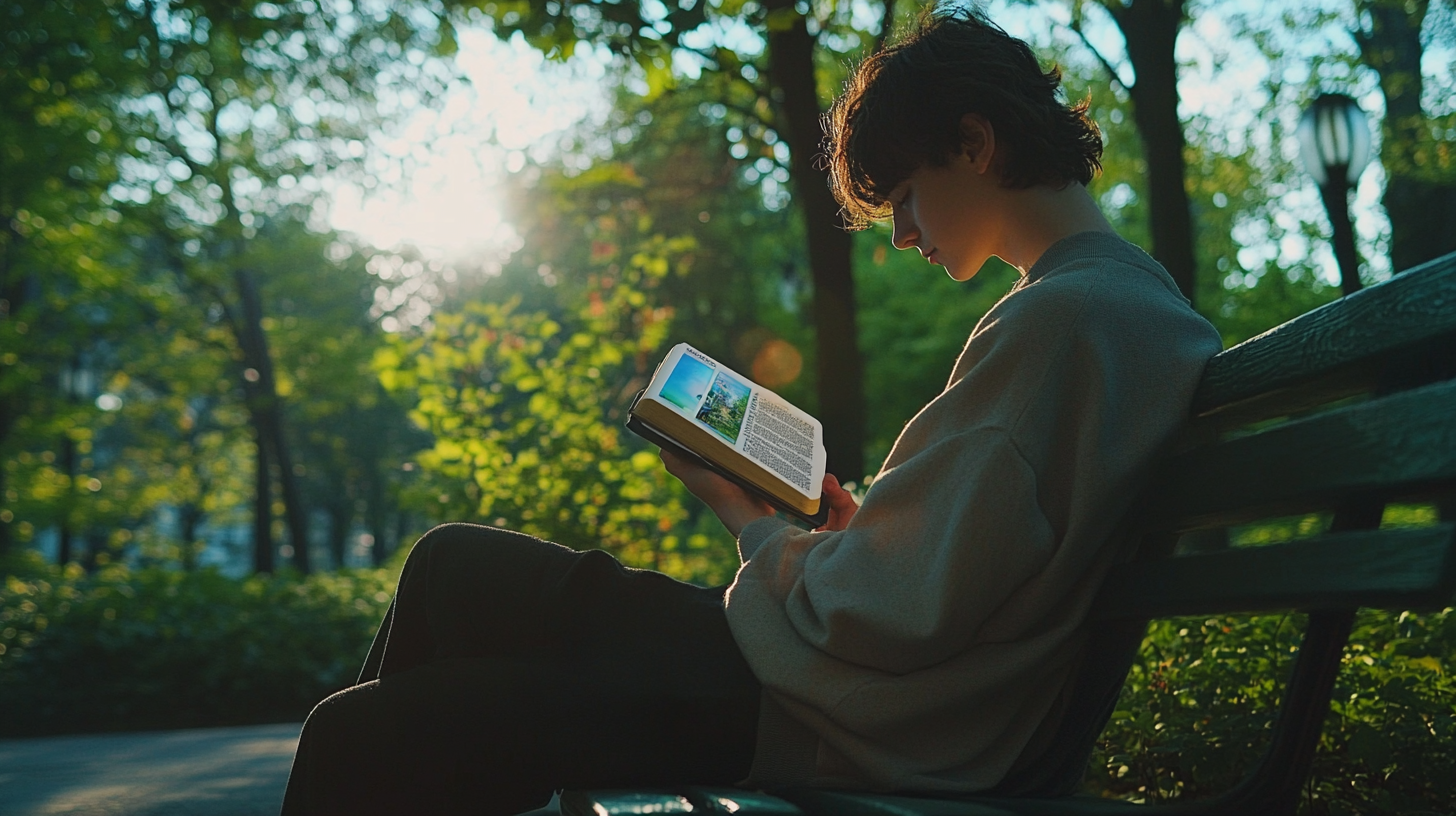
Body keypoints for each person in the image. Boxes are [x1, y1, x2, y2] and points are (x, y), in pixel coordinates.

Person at [281, 7, 1222, 814]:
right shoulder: (1111, 309)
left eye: (902, 198)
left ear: (974, 145)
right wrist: (825, 538)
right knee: (448, 571)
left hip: (832, 716)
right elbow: (946, 570)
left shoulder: (1067, 321)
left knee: (365, 729)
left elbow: (890, 612)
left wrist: (752, 521)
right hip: (836, 695)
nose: (901, 236)